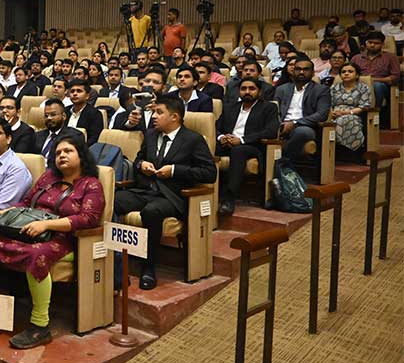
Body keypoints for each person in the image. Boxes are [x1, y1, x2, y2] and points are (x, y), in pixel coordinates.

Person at [0, 133, 104, 348]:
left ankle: (40, 325)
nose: (62, 155)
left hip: (64, 237)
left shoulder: (91, 184)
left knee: (37, 254)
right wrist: (4, 213)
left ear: (81, 155)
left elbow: (89, 219)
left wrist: (47, 225)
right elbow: (26, 202)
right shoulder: (48, 178)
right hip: (29, 229)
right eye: (58, 152)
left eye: (68, 151)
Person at [113, 97, 217, 289]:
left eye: (159, 112)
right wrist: (141, 165)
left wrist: (175, 170)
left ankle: (149, 267)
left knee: (152, 212)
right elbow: (138, 160)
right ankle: (114, 261)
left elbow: (210, 173)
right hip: (145, 190)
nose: (153, 116)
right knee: (112, 201)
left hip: (173, 195)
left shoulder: (193, 139)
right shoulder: (151, 135)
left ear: (175, 117)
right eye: (153, 112)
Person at [215, 79, 280, 216]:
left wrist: (242, 140)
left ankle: (229, 198)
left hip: (252, 147)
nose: (247, 92)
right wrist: (222, 138)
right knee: (202, 147)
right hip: (227, 143)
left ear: (259, 91)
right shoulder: (230, 107)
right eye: (243, 89)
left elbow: (270, 131)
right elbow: (216, 127)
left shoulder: (268, 107)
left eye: (252, 89)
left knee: (238, 150)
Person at [273, 58, 331, 162]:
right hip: (281, 125)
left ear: (313, 73)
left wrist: (295, 123)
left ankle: (281, 161)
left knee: (303, 132)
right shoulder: (282, 89)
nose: (301, 72)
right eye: (298, 69)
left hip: (304, 126)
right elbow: (273, 110)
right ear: (293, 71)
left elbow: (322, 114)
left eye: (306, 69)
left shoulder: (321, 90)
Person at [351, 31, 400, 127]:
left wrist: (373, 80)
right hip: (358, 85)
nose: (372, 45)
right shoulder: (356, 58)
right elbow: (349, 72)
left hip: (381, 86)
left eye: (376, 43)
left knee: (377, 86)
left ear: (382, 44)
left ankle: (374, 112)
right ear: (366, 43)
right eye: (370, 42)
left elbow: (395, 77)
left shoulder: (390, 57)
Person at [330, 63, 372, 161]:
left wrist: (346, 113)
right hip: (334, 114)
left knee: (344, 119)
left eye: (350, 71)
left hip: (354, 114)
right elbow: (327, 103)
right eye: (343, 72)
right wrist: (331, 113)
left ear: (357, 75)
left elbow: (363, 106)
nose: (346, 74)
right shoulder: (334, 88)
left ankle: (345, 150)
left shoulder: (363, 88)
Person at [66, 80, 104, 146]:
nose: (75, 94)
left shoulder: (95, 114)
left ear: (87, 96)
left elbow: (94, 139)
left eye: (79, 91)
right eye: (72, 91)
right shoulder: (65, 111)